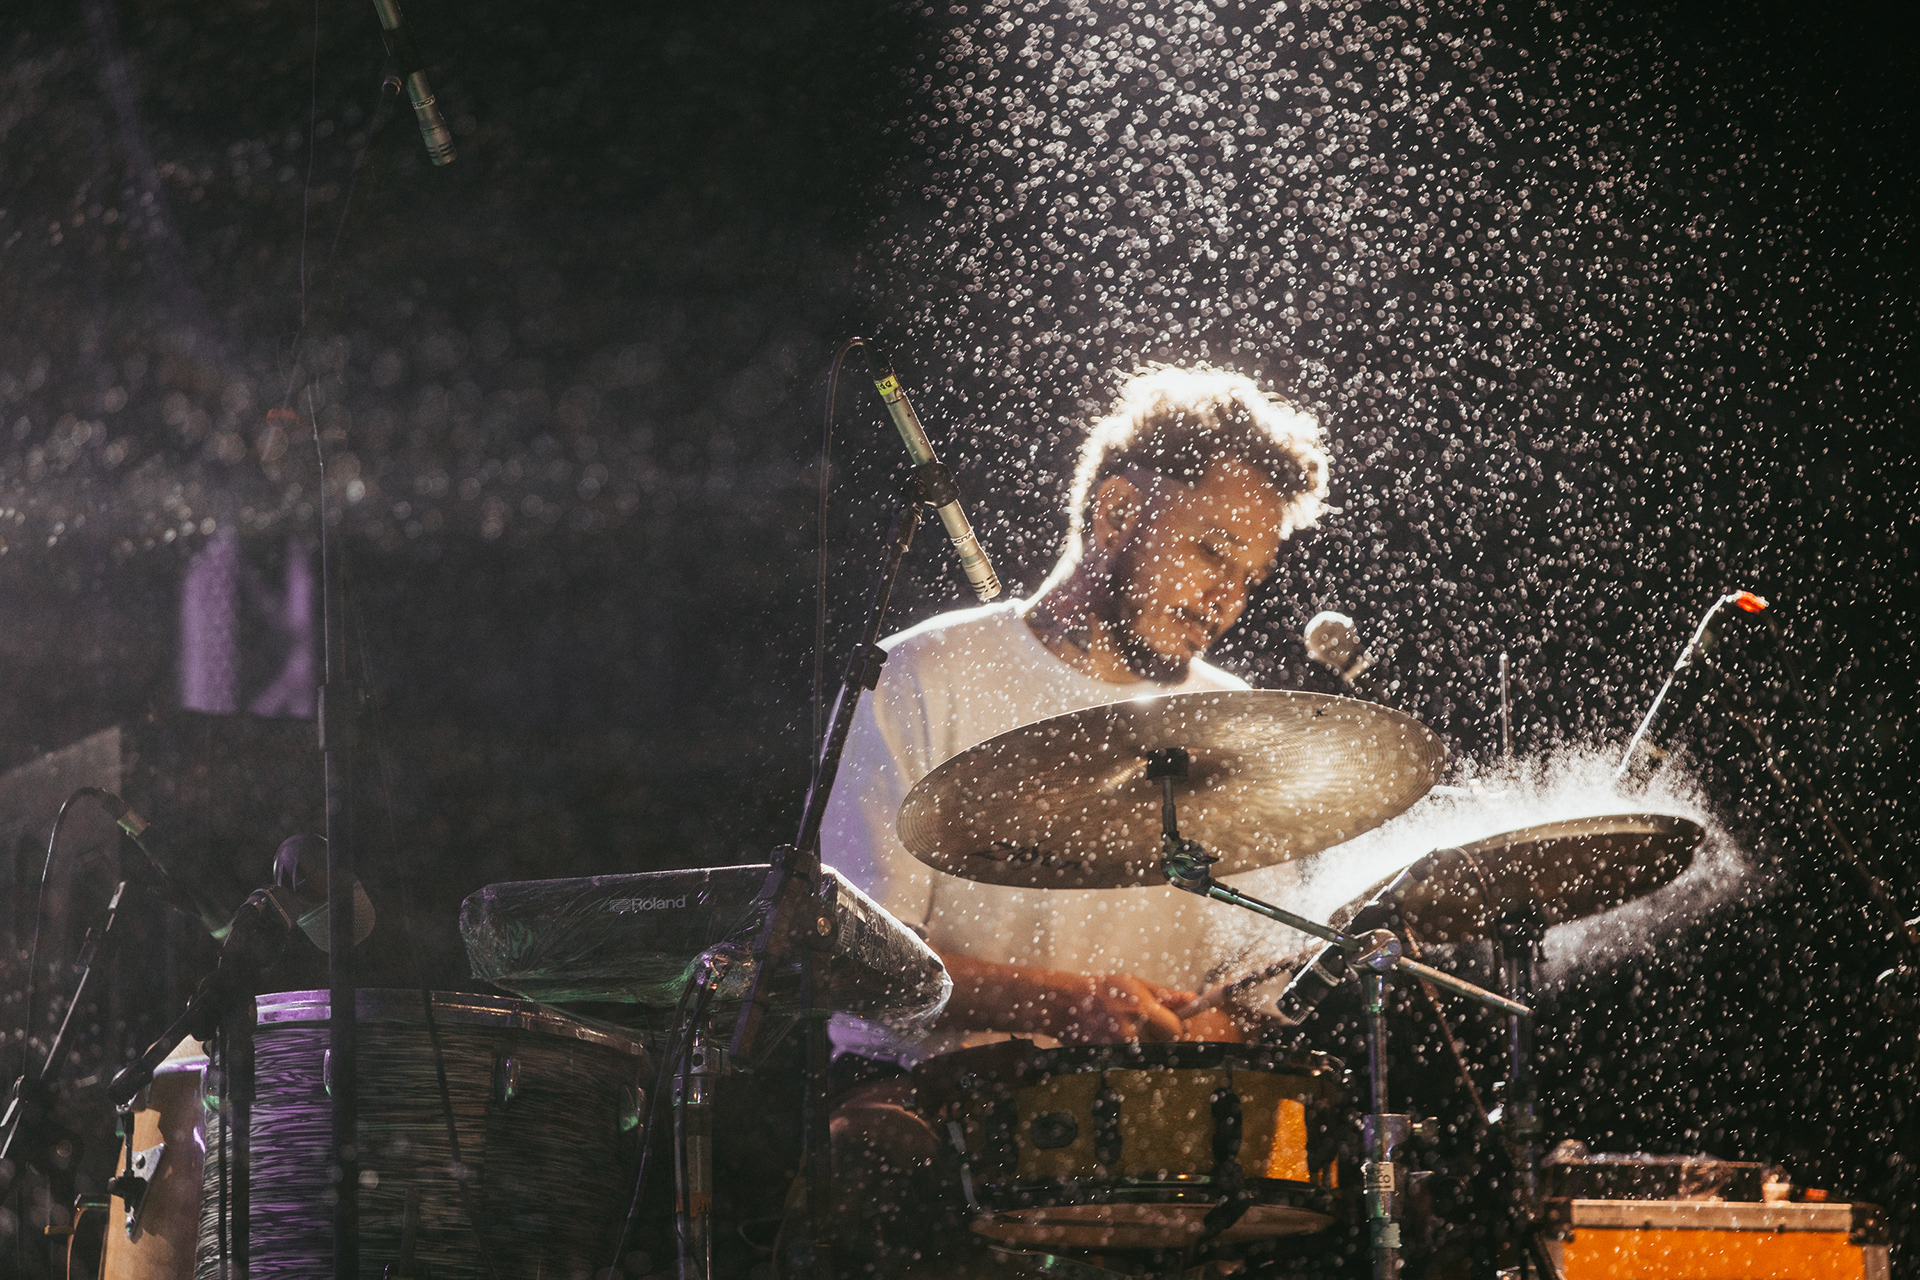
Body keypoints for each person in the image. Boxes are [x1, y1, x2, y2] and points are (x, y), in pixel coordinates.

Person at [814, 363, 1331, 1272]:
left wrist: (1214, 1026)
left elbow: (1256, 995)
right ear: (1118, 513)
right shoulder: (922, 674)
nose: (1228, 600)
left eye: (1250, 578)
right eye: (1212, 552)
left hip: (1160, 1155)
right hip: (931, 1133)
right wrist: (1066, 1005)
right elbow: (854, 960)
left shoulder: (1239, 725)